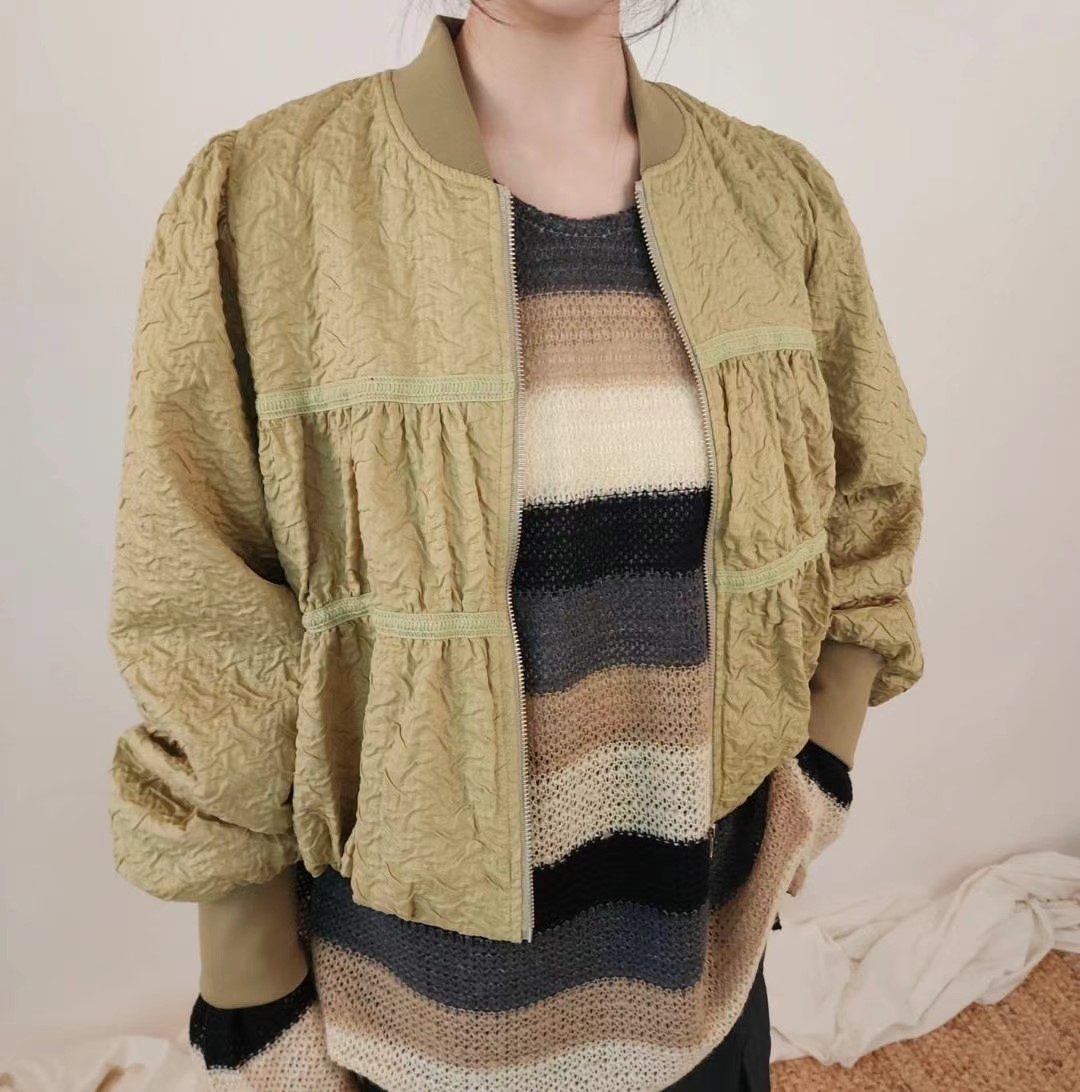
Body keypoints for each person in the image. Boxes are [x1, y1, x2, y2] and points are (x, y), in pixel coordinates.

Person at [106, 3, 927, 1090]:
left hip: (705, 979)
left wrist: (818, 771)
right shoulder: (264, 200)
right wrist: (252, 981)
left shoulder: (776, 198)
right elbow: (201, 613)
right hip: (408, 1022)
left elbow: (869, 497)